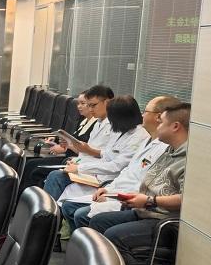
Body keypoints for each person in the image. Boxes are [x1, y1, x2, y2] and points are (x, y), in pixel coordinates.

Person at [89, 103, 191, 265]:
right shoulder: (169, 151)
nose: (157, 126)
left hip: (164, 219)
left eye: (161, 122)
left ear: (175, 126)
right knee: (98, 222)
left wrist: (150, 201)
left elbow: (187, 199)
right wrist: (125, 196)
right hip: (146, 209)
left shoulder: (189, 159)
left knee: (115, 235)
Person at [59, 96, 179, 231]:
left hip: (128, 196)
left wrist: (113, 194)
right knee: (67, 200)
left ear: (159, 117)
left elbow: (137, 178)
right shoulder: (144, 139)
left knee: (79, 212)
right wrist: (109, 189)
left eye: (145, 112)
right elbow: (126, 168)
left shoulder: (154, 143)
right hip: (115, 187)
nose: (142, 115)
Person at [44, 95, 148, 201]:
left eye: (112, 117)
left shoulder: (138, 137)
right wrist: (79, 163)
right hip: (97, 175)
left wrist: (80, 168)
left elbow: (116, 166)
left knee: (59, 181)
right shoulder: (120, 131)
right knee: (57, 177)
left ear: (122, 117)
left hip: (108, 181)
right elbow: (105, 155)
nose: (110, 121)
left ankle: (48, 209)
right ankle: (48, 208)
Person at [20, 91, 97, 191]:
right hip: (67, 157)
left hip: (72, 161)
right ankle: (21, 195)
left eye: (83, 103)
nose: (79, 106)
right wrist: (57, 140)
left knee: (35, 168)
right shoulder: (84, 121)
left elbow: (85, 150)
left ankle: (32, 197)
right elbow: (73, 139)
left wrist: (66, 147)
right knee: (30, 164)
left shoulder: (95, 125)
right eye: (78, 103)